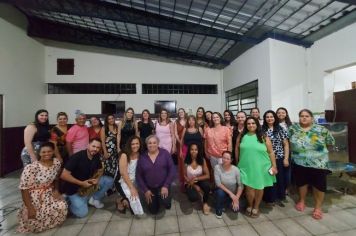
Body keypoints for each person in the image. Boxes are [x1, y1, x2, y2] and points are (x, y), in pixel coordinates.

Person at [289, 109, 335, 220]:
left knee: (318, 185)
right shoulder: (293, 129)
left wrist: (317, 154)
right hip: (299, 162)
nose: (304, 118)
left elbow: (330, 143)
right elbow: (287, 143)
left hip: (318, 163)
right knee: (301, 183)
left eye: (307, 116)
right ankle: (302, 201)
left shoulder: (321, 129)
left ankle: (318, 207)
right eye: (301, 116)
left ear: (312, 118)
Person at [17, 142, 67, 233]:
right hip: (34, 197)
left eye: (49, 151)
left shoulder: (56, 163)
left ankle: (49, 223)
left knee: (62, 206)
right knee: (35, 217)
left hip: (48, 192)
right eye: (43, 152)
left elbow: (56, 178)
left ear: (53, 152)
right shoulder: (31, 167)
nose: (47, 154)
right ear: (39, 153)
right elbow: (24, 189)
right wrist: (30, 208)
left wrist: (56, 190)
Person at [61, 138, 113, 218]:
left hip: (88, 184)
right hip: (74, 189)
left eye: (98, 147)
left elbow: (100, 170)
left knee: (109, 181)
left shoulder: (96, 156)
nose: (95, 149)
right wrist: (81, 183)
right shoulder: (77, 157)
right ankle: (68, 203)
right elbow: (64, 175)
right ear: (88, 145)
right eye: (93, 146)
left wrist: (97, 179)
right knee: (82, 213)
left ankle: (94, 199)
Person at [236, 117, 277, 218]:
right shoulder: (242, 135)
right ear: (246, 125)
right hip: (246, 166)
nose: (251, 125)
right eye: (248, 123)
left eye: (253, 123)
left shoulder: (263, 136)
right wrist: (237, 162)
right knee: (249, 187)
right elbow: (237, 149)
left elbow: (271, 152)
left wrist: (274, 166)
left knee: (259, 187)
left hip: (261, 166)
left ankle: (256, 207)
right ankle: (250, 204)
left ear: (257, 124)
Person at [136, 135, 175, 215]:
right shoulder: (142, 157)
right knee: (153, 211)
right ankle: (156, 198)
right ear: (146, 145)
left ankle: (164, 197)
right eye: (149, 143)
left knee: (166, 204)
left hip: (163, 185)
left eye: (154, 143)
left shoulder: (165, 153)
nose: (152, 145)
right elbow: (138, 176)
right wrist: (145, 190)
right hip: (150, 188)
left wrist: (166, 185)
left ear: (158, 144)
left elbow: (172, 170)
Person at [262, 110, 289, 207]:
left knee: (279, 178)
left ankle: (279, 197)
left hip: (279, 158)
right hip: (266, 159)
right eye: (267, 117)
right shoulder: (262, 130)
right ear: (265, 119)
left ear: (275, 118)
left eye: (271, 117)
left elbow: (286, 144)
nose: (269, 118)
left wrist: (286, 158)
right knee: (269, 178)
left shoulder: (280, 129)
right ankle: (269, 198)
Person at [116, 136, 144, 215]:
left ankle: (126, 199)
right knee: (135, 208)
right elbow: (123, 173)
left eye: (137, 144)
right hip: (124, 180)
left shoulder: (140, 153)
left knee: (136, 202)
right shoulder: (124, 155)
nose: (135, 146)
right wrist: (132, 188)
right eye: (133, 144)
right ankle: (120, 200)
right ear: (129, 145)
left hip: (136, 179)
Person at [214, 151, 243, 219]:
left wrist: (236, 198)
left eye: (227, 158)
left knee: (236, 210)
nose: (225, 160)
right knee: (220, 193)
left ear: (231, 160)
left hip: (233, 193)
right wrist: (231, 194)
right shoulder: (217, 167)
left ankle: (225, 203)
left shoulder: (236, 170)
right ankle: (219, 208)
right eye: (223, 158)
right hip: (221, 190)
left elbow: (240, 185)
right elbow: (218, 184)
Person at [183, 143, 210, 215]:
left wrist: (196, 179)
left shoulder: (202, 160)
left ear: (198, 151)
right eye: (192, 149)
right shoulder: (186, 161)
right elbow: (184, 176)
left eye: (196, 149)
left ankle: (205, 203)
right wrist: (195, 186)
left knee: (207, 186)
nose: (194, 151)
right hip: (189, 182)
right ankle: (198, 193)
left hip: (199, 180)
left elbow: (208, 175)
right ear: (189, 151)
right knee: (193, 198)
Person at [100, 114, 119, 180]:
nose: (111, 120)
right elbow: (102, 141)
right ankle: (106, 187)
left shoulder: (117, 127)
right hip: (107, 151)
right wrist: (105, 152)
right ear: (107, 120)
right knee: (107, 168)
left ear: (114, 119)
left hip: (115, 152)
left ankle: (112, 186)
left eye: (112, 118)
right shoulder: (104, 128)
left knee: (114, 168)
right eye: (109, 119)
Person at [175, 108, 187, 191]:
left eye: (182, 112)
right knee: (181, 162)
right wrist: (180, 142)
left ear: (184, 113)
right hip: (179, 143)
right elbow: (175, 133)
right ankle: (182, 182)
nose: (180, 113)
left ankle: (189, 180)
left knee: (188, 162)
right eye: (179, 113)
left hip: (188, 143)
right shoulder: (176, 122)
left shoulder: (188, 120)